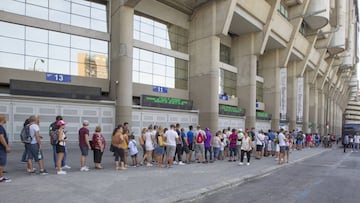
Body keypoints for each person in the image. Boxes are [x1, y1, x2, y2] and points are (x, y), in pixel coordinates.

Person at [0, 115, 11, 183]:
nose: (6, 120)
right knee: (1, 163)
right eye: (5, 118)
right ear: (2, 119)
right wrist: (6, 146)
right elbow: (1, 137)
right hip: (1, 148)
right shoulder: (0, 127)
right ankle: (0, 178)